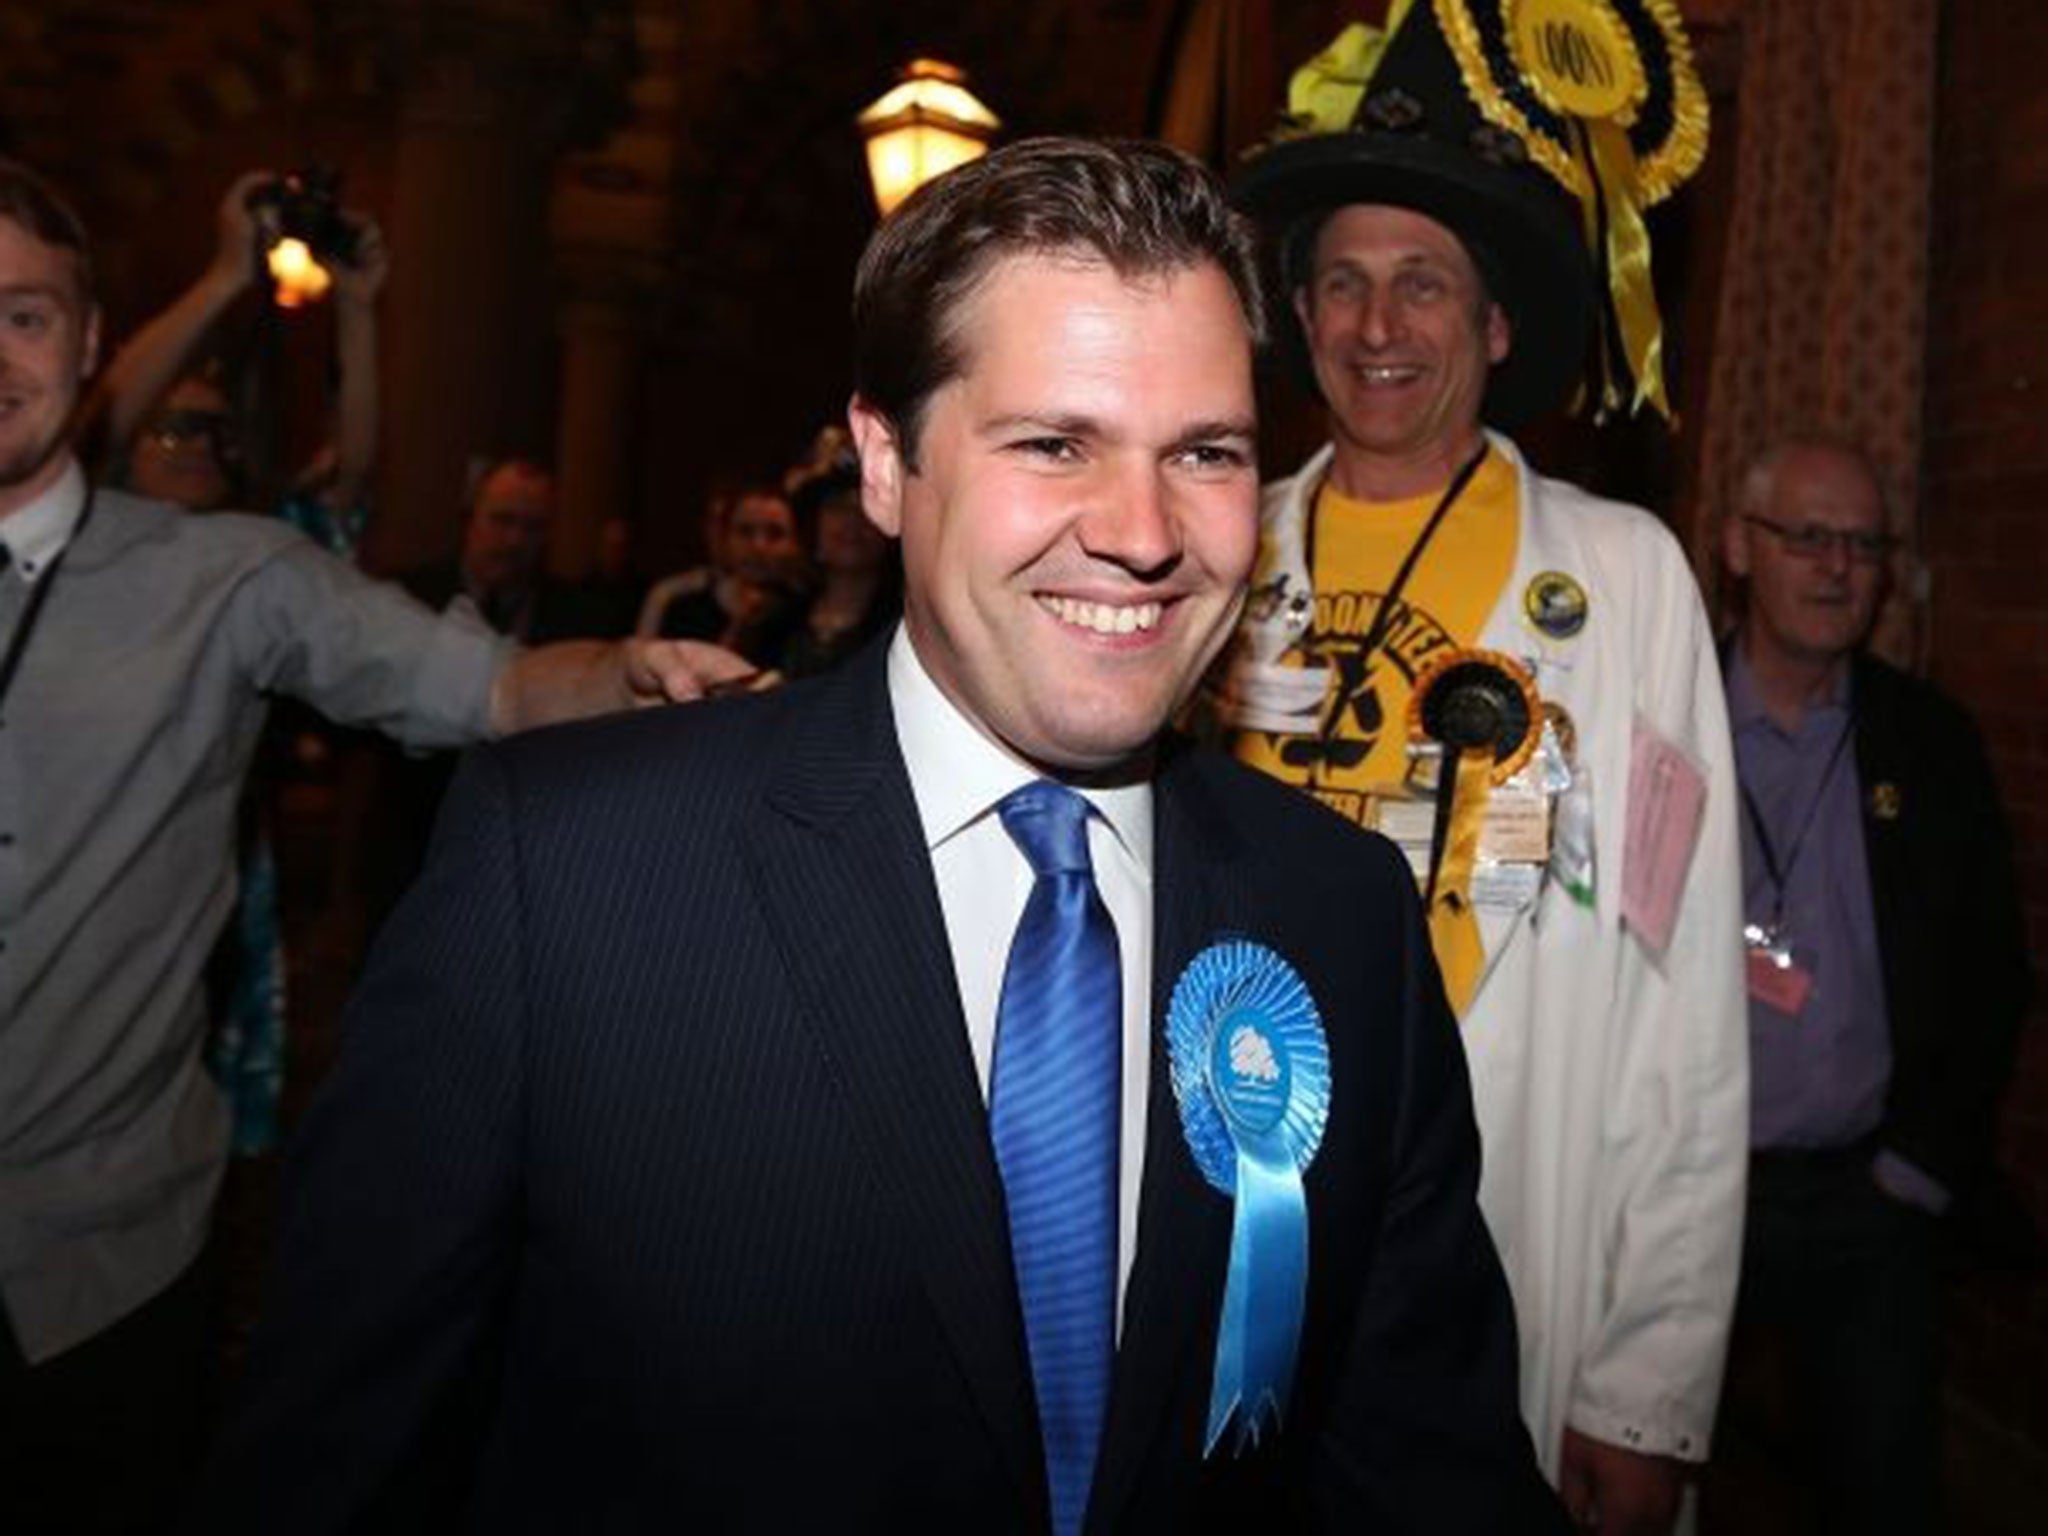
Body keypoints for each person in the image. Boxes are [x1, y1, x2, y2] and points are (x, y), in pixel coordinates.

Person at [192, 135, 1566, 1533]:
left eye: (1205, 453)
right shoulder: (566, 876)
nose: (1147, 534)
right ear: (887, 462)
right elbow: (331, 1468)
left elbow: (1427, 1467)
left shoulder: (1340, 917)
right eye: (1054, 443)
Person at [0, 155, 746, 1536]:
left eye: (27, 314)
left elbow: (490, 686)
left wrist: (632, 671)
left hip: (94, 1278)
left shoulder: (222, 577)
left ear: (94, 344)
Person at [1213, 6, 1748, 1531]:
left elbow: (1682, 984)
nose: (1380, 328)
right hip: (1227, 1232)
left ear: (1497, 325)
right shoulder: (1211, 552)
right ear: (1301, 320)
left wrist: (1649, 1385)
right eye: (1345, 285)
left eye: (1424, 285)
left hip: (1498, 1236)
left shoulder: (1627, 579)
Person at [1711, 440, 2028, 1534]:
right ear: (1739, 548)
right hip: (1683, 1197)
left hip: (1864, 1207)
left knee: (1882, 1495)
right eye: (1806, 535)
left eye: (1861, 543)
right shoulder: (1661, 718)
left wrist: (1916, 1170)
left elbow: (1987, 968)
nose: (1837, 566)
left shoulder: (1925, 741)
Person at [647, 482, 807, 663]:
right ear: (725, 539)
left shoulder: (810, 618)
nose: (758, 546)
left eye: (775, 533)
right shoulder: (684, 611)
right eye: (745, 531)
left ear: (796, 543)